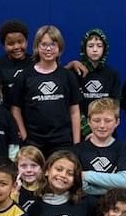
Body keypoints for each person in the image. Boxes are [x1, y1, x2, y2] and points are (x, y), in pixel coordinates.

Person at [11, 25, 81, 156]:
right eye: (44, 44)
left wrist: (76, 143)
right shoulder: (25, 76)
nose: (48, 48)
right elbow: (16, 109)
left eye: (53, 44)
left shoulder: (67, 76)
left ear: (60, 47)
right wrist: (25, 136)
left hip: (62, 142)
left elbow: (74, 111)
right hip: (34, 143)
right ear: (37, 47)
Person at [75, 97, 126, 196]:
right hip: (86, 206)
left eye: (108, 120)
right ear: (89, 121)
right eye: (97, 120)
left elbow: (123, 182)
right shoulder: (77, 150)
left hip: (114, 207)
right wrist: (112, 181)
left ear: (117, 122)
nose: (102, 125)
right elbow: (80, 186)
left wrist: (86, 175)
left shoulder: (123, 148)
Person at [73, 28, 121, 138]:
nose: (95, 50)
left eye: (99, 46)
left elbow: (115, 106)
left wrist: (104, 128)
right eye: (90, 46)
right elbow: (74, 107)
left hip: (107, 132)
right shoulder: (75, 73)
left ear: (105, 49)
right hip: (81, 132)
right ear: (84, 48)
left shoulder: (112, 74)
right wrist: (87, 130)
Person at [0, 19, 33, 108]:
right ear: (3, 45)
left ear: (26, 42)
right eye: (10, 43)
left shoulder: (36, 62)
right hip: (7, 115)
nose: (16, 47)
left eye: (20, 42)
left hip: (32, 114)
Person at [13, 144, 45, 211]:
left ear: (42, 168)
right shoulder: (13, 189)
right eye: (23, 166)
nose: (29, 170)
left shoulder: (47, 188)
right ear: (17, 168)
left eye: (34, 165)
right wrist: (15, 193)